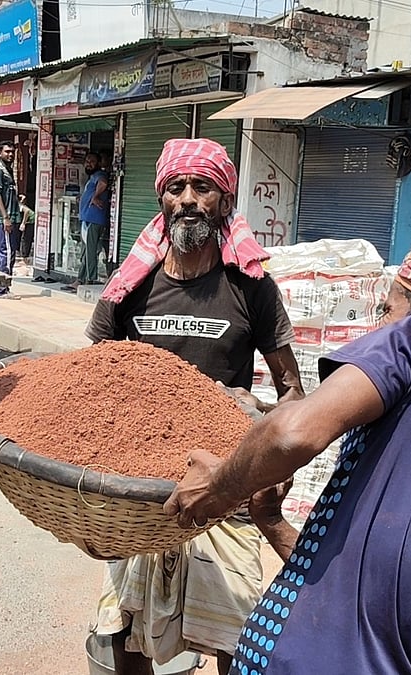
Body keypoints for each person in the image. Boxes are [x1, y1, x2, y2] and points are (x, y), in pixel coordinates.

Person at [165, 217, 411, 674]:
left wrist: (218, 487)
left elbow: (293, 432)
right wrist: (273, 524)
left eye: (387, 309)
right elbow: (375, 602)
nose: (378, 325)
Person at [85, 137, 305, 675]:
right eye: (175, 187)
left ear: (224, 201)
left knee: (235, 632)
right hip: (141, 487)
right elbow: (89, 383)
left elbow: (292, 390)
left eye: (202, 187)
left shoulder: (250, 287)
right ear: (161, 201)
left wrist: (275, 449)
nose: (187, 198)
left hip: (224, 484)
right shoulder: (131, 287)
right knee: (123, 634)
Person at [64, 151, 111, 291]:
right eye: (87, 161)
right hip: (87, 218)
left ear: (98, 163)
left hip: (93, 219)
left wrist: (94, 197)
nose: (88, 163)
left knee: (90, 251)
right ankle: (80, 279)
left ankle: (90, 279)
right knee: (86, 252)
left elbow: (103, 183)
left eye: (92, 161)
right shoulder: (92, 178)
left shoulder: (99, 175)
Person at [0, 141, 21, 296]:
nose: (10, 154)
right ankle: (2, 289)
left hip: (9, 216)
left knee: (1, 251)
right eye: (7, 152)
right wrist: (5, 217)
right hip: (4, 218)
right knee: (6, 252)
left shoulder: (7, 170)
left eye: (12, 152)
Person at [18, 193, 36, 267]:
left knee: (25, 239)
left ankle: (25, 257)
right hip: (30, 221)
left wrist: (23, 223)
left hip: (30, 221)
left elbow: (27, 211)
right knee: (25, 238)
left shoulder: (20, 205)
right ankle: (24, 256)